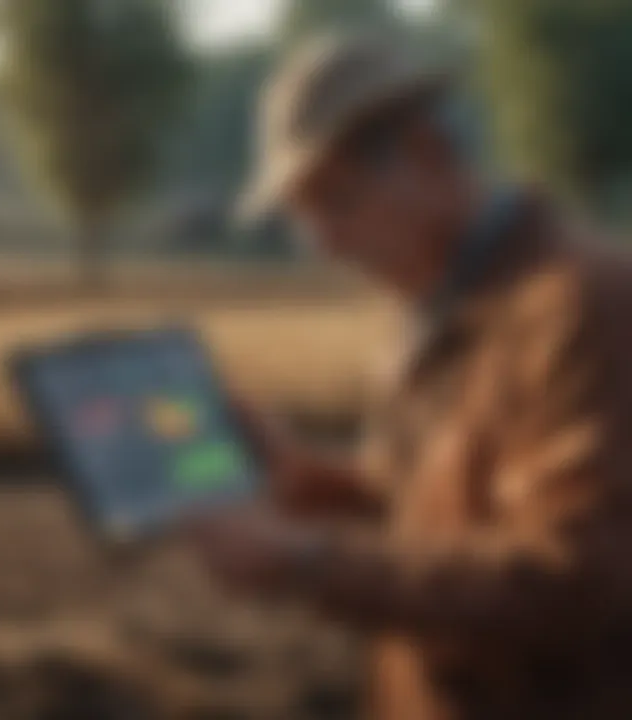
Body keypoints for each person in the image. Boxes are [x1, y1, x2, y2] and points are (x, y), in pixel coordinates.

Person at [190, 32, 632, 719]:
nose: (323, 242)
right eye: (302, 219)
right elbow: (446, 521)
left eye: (335, 201)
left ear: (430, 153)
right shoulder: (441, 308)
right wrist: (311, 485)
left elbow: (574, 579)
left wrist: (306, 562)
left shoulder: (585, 306)